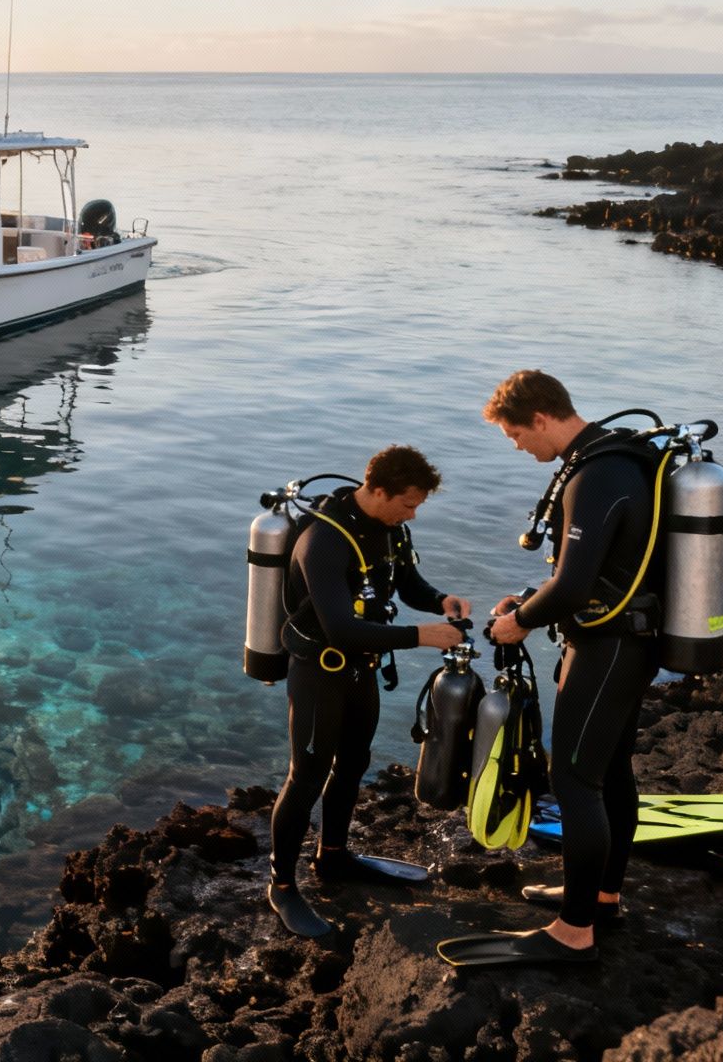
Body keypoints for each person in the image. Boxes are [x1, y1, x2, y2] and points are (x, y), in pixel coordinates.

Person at [476, 369, 660, 966]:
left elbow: (577, 583)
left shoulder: (598, 471)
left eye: (514, 435)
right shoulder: (616, 460)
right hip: (631, 640)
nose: (517, 447)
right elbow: (604, 569)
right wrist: (531, 597)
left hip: (607, 649)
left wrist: (520, 621)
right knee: (612, 771)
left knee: (576, 781)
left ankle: (573, 931)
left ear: (541, 418)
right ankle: (602, 897)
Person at [268, 445, 469, 937]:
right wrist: (421, 636)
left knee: (354, 763)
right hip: (321, 670)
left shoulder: (389, 528)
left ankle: (333, 856)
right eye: (407, 503)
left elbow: (405, 582)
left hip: (361, 670)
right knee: (307, 775)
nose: (413, 513)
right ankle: (282, 886)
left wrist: (439, 600)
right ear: (377, 490)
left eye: (418, 505)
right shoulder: (323, 541)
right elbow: (340, 628)